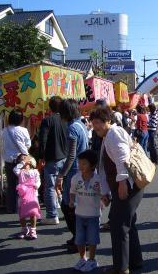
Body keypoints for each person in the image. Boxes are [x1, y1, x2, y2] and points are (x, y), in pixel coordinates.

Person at [90, 107, 143, 274]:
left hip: (128, 184)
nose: (95, 126)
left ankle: (121, 267)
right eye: (93, 123)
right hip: (125, 184)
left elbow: (122, 159)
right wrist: (105, 191)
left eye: (98, 123)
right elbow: (105, 168)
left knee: (119, 225)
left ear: (108, 121)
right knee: (127, 223)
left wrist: (122, 184)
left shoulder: (114, 133)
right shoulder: (108, 135)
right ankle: (134, 262)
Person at [56, 99, 89, 253]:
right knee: (78, 207)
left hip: (75, 171)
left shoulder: (72, 128)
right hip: (83, 170)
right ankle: (80, 237)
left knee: (68, 206)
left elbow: (71, 156)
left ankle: (79, 238)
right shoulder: (81, 124)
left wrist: (61, 175)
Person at [69, 150, 110, 272]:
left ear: (93, 165)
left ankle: (92, 260)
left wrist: (105, 199)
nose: (80, 166)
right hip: (79, 214)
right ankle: (82, 258)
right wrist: (72, 201)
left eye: (84, 164)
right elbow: (72, 191)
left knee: (92, 238)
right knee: (79, 239)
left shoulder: (98, 180)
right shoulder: (76, 178)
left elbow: (105, 198)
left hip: (93, 214)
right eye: (79, 163)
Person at [38, 96, 68, 225]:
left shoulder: (47, 121)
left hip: (52, 157)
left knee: (50, 186)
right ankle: (68, 212)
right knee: (65, 186)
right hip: (66, 157)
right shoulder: (66, 120)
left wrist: (41, 156)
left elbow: (42, 140)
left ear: (50, 107)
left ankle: (52, 215)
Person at [1, 108, 31, 213]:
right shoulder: (24, 130)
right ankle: (24, 207)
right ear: (21, 119)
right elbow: (28, 145)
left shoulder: (4, 131)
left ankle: (10, 208)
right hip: (22, 161)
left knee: (11, 185)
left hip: (9, 161)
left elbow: (3, 145)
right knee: (24, 184)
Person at [14, 154, 41, 240]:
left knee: (33, 213)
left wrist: (36, 185)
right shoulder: (20, 172)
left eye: (26, 158)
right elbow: (15, 169)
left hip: (33, 195)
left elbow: (38, 181)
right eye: (22, 160)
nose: (25, 160)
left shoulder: (35, 171)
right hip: (23, 195)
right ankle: (24, 229)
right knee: (22, 214)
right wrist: (22, 162)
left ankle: (33, 230)